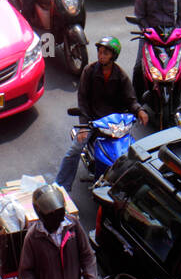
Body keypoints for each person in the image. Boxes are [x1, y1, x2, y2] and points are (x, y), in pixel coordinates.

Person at [55, 38, 148, 190]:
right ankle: (61, 186)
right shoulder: (89, 72)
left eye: (105, 53)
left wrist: (140, 110)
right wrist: (84, 126)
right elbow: (83, 101)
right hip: (94, 121)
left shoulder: (121, 76)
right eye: (99, 52)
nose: (101, 55)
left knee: (133, 151)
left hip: (115, 124)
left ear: (113, 56)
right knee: (74, 151)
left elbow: (131, 100)